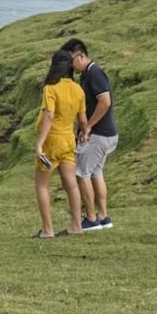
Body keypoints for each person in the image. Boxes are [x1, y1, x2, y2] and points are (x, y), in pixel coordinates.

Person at [61, 38, 118, 231]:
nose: (70, 66)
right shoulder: (86, 75)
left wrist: (88, 127)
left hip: (99, 134)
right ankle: (103, 216)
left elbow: (105, 101)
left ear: (80, 56)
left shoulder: (94, 73)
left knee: (81, 173)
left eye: (71, 61)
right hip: (105, 133)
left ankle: (92, 219)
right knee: (95, 173)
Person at [33, 49, 89, 238]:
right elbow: (82, 118)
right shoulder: (77, 89)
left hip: (52, 141)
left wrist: (39, 144)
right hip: (69, 140)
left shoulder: (50, 88)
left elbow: (49, 115)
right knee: (71, 184)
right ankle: (76, 226)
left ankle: (48, 230)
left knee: (42, 185)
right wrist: (84, 132)